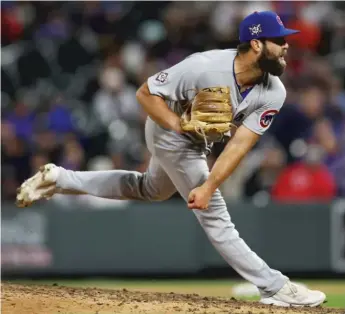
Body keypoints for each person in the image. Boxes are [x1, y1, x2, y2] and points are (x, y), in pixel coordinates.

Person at [16, 11, 326, 307]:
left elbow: (239, 146)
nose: (287, 45)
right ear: (256, 44)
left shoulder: (274, 91)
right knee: (215, 215)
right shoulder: (204, 67)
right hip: (169, 131)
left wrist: (210, 183)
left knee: (149, 189)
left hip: (199, 143)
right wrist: (179, 126)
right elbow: (145, 93)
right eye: (279, 40)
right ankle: (273, 286)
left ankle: (58, 178)